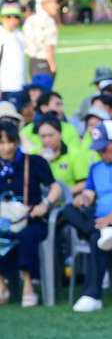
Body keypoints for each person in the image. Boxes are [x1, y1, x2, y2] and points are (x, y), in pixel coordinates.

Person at [59, 119, 112, 312]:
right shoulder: (95, 168)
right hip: (100, 222)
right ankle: (100, 231)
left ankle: (92, 295)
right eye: (98, 149)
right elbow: (89, 194)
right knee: (68, 210)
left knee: (97, 237)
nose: (101, 153)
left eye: (104, 148)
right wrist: (84, 201)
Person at [0, 120, 59, 308]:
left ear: (18, 141)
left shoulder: (33, 162)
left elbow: (55, 188)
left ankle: (28, 285)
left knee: (28, 236)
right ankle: (2, 284)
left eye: (10, 141)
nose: (7, 147)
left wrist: (46, 204)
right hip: (5, 221)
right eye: (1, 143)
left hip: (32, 219)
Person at [22, 0, 60, 80]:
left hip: (32, 63)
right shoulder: (49, 21)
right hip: (44, 63)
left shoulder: (30, 20)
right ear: (46, 3)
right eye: (55, 2)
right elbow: (48, 45)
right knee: (45, 93)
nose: (57, 5)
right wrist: (52, 64)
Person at [0, 3, 25, 102]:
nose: (13, 20)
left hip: (19, 84)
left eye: (16, 17)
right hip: (5, 85)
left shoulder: (18, 34)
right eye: (9, 17)